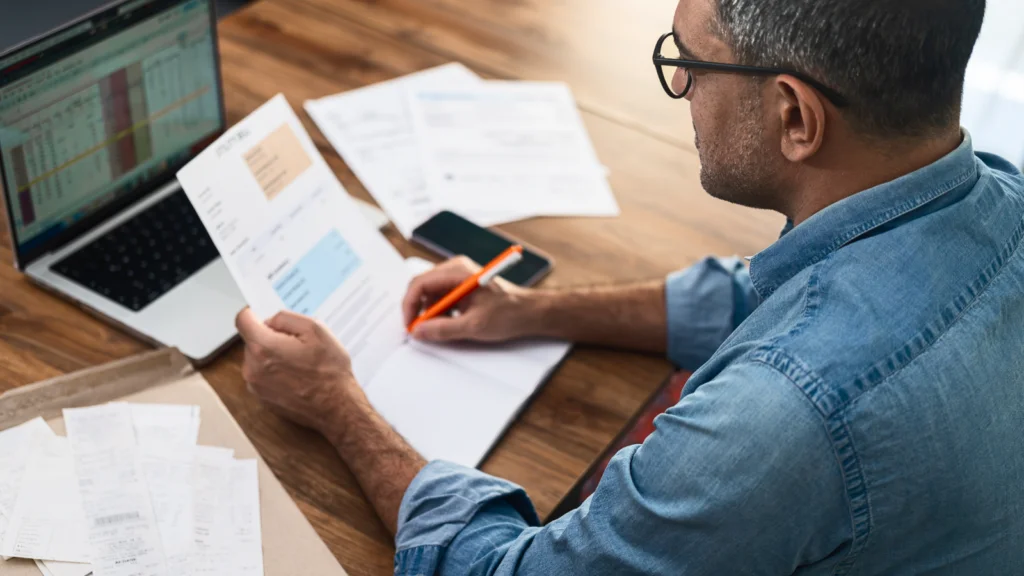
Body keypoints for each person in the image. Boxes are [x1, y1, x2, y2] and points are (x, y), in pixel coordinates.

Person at [234, 0, 1024, 572]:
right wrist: (531, 312)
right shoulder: (994, 200)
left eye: (691, 63)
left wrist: (336, 404)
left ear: (795, 117)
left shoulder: (776, 421)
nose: (681, 86)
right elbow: (765, 298)